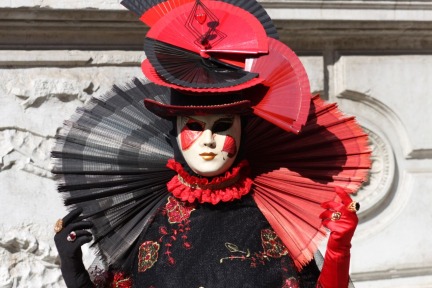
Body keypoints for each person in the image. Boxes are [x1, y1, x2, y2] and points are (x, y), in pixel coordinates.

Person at [52, 0, 370, 287]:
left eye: (221, 127)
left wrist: (339, 249)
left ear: (243, 133)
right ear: (174, 133)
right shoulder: (147, 217)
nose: (208, 140)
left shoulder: (272, 214)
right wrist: (73, 268)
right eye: (193, 126)